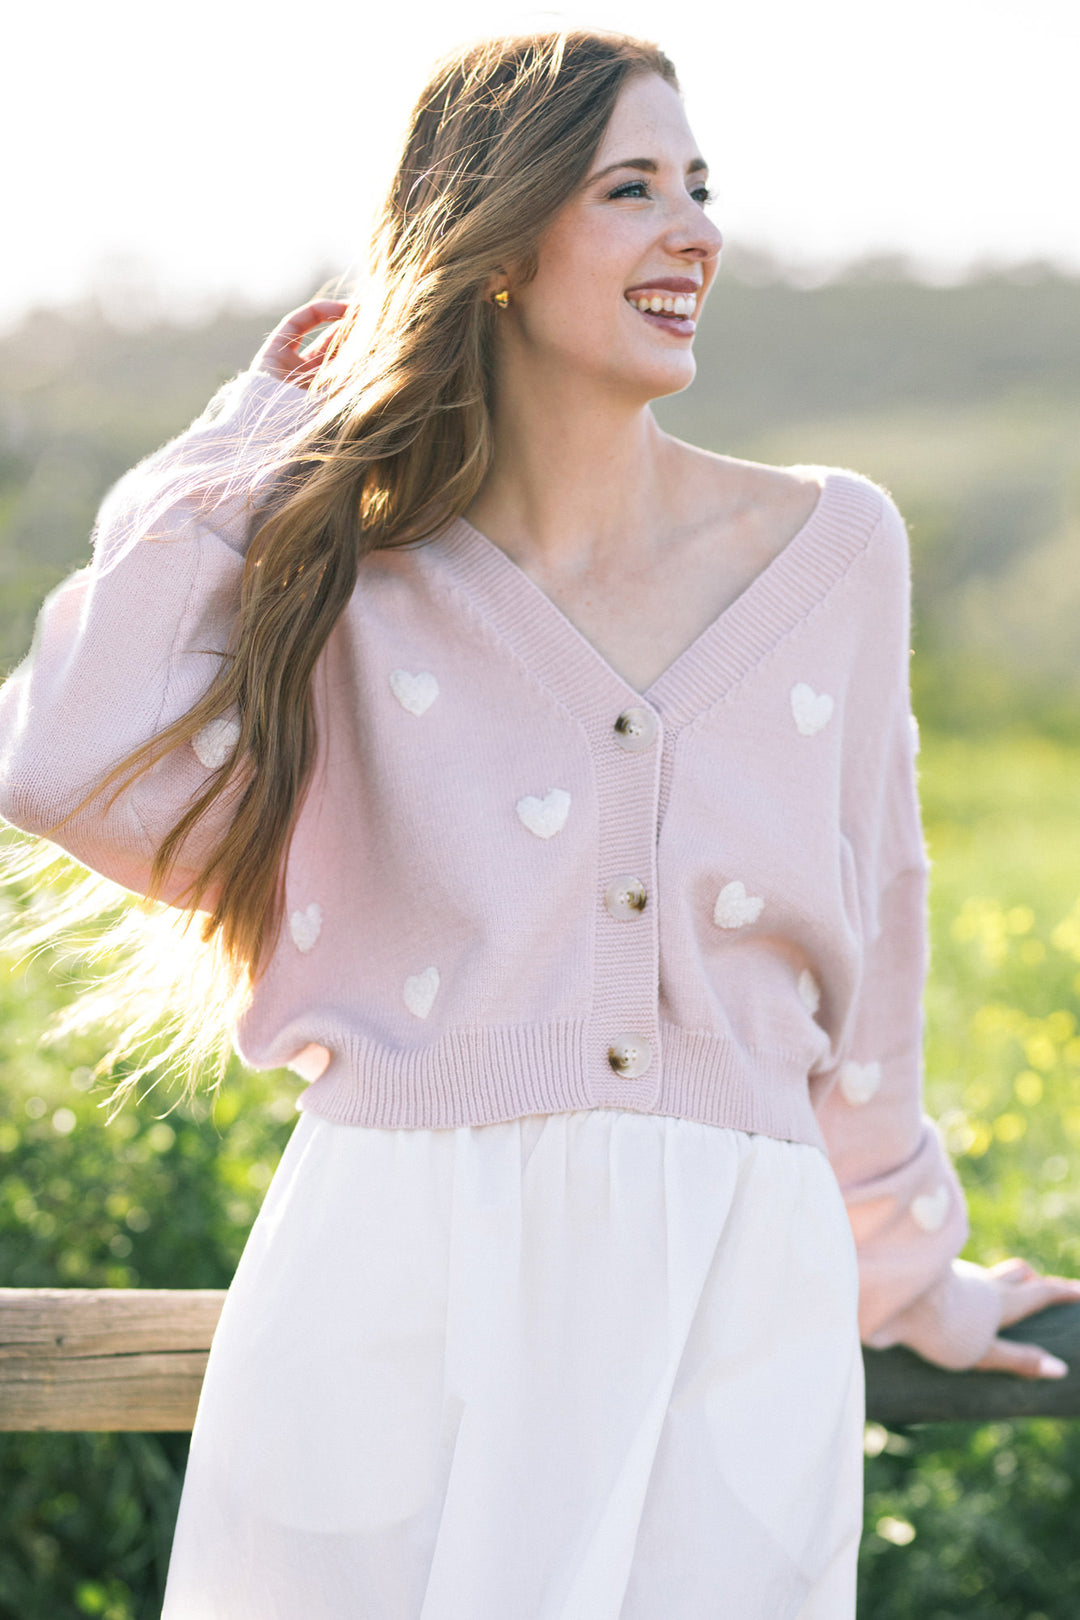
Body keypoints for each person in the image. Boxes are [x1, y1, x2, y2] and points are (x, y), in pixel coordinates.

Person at [1, 27, 1077, 1620]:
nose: (694, 230)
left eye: (701, 186)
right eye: (631, 188)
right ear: (493, 248)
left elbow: (879, 930)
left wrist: (907, 1266)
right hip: (392, 1287)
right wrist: (257, 428)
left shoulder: (835, 546)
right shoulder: (353, 583)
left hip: (732, 1302)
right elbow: (59, 756)